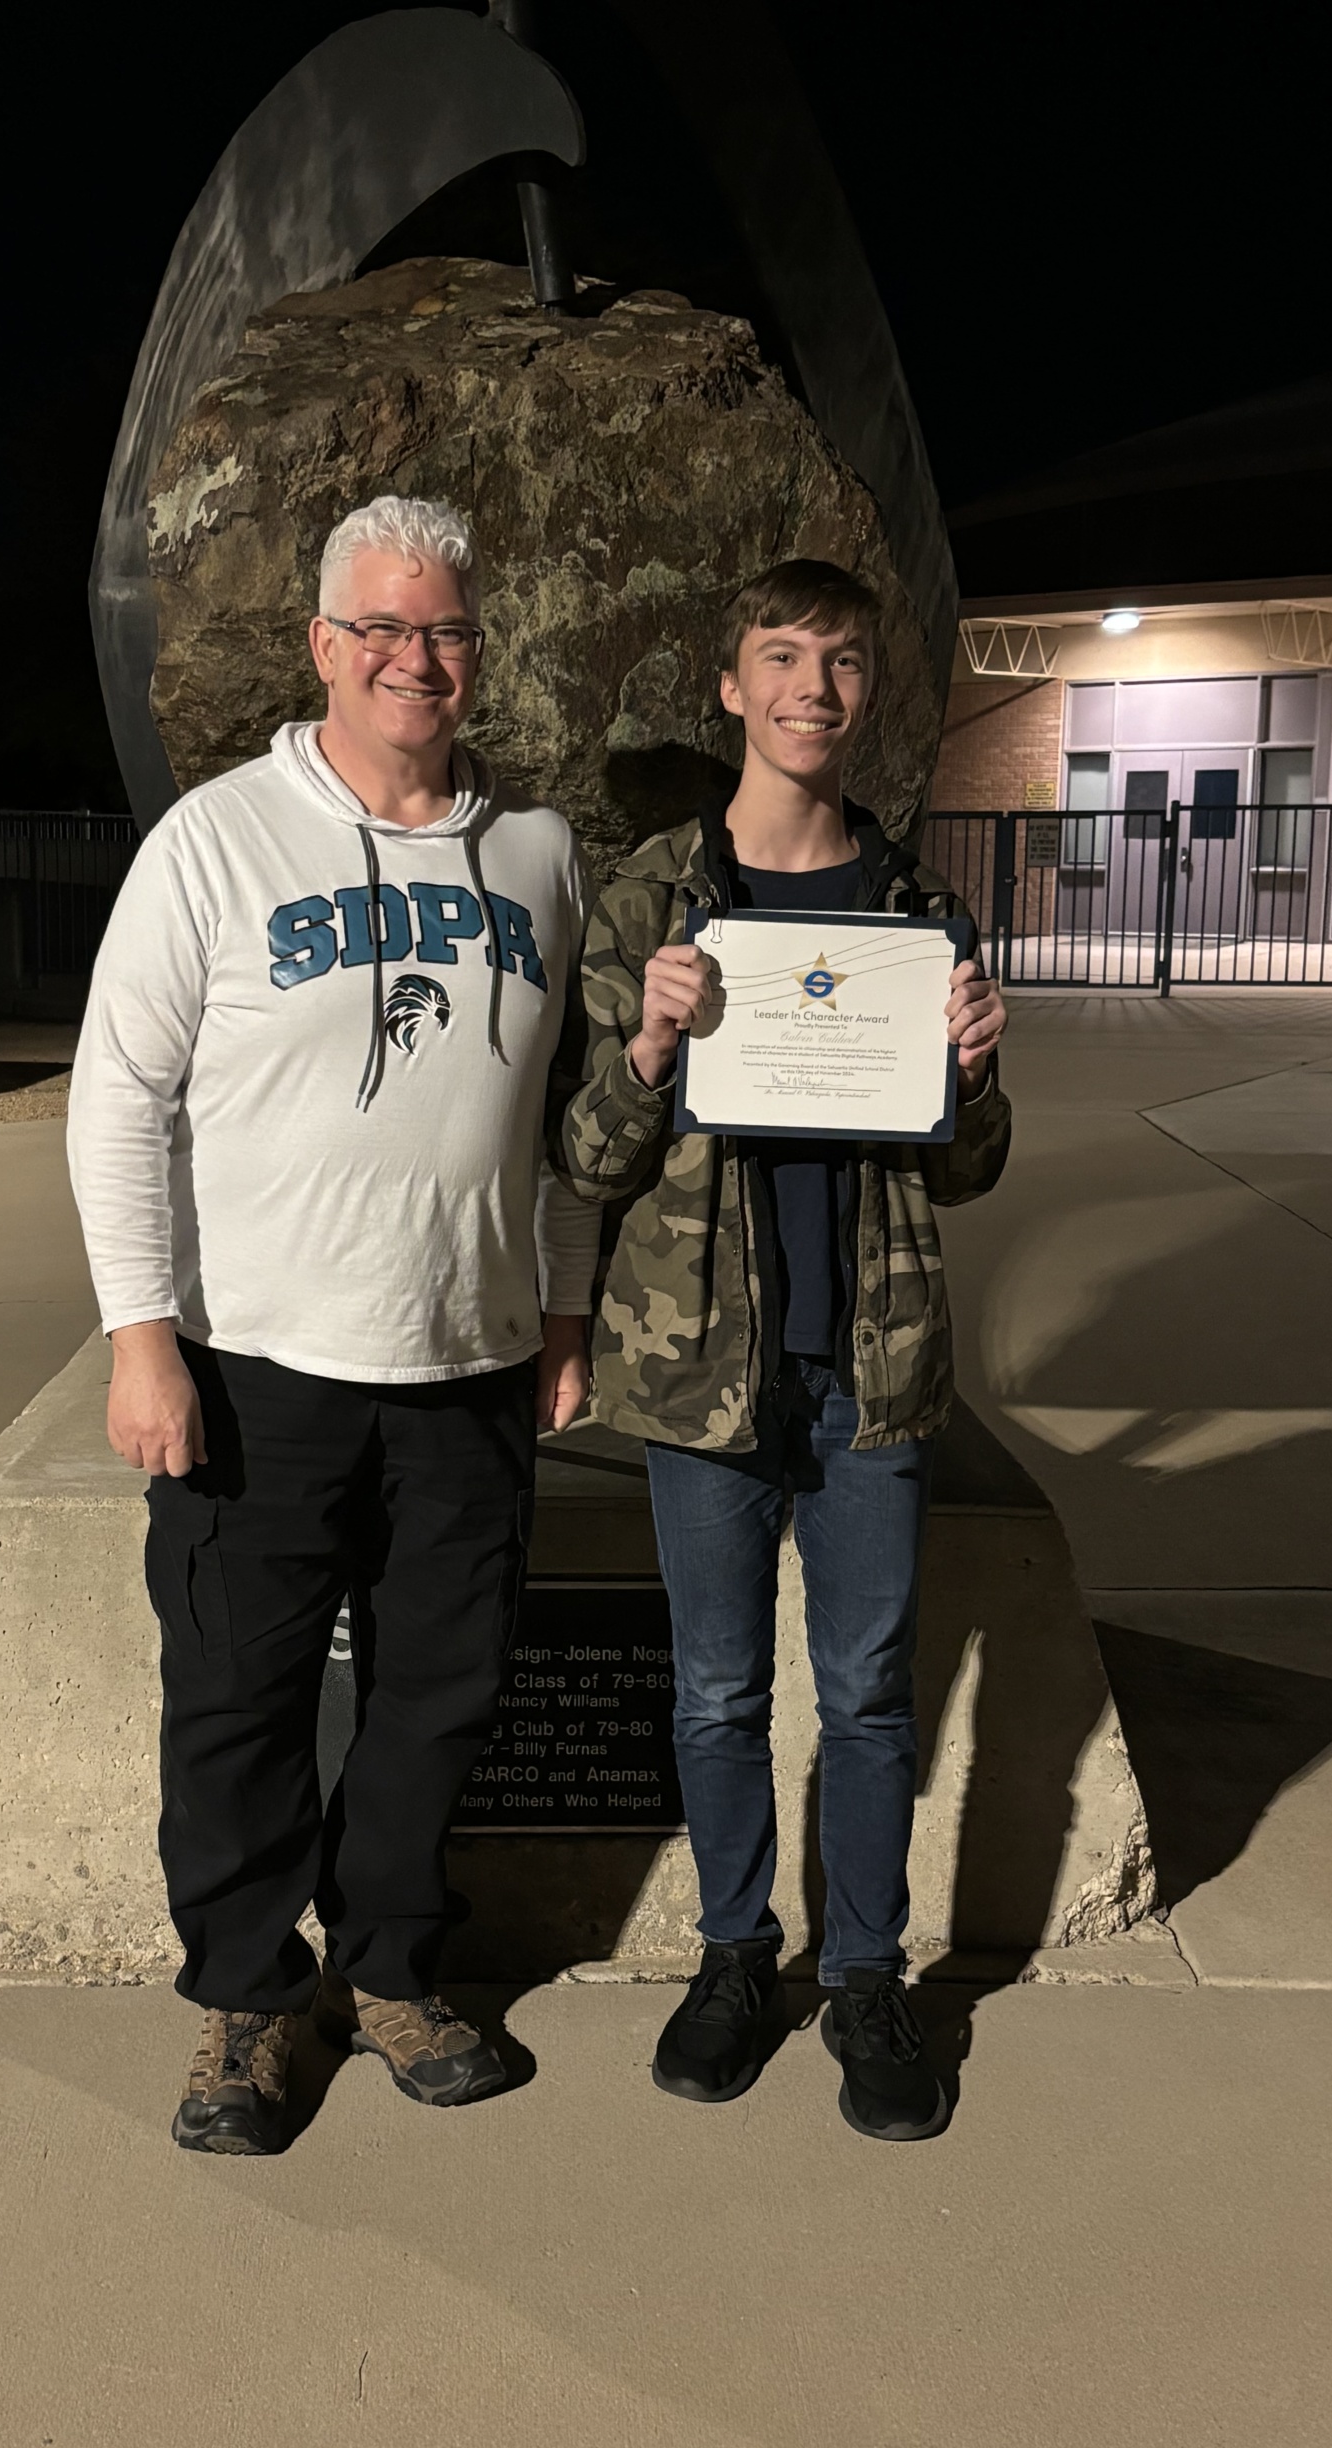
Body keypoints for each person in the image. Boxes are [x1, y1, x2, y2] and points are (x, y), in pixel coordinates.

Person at [69, 495, 598, 2155]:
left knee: (438, 1696)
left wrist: (561, 1304)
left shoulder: (539, 855)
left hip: (468, 1365)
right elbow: (115, 1097)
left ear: (474, 651)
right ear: (322, 646)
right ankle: (242, 1997)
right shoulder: (219, 841)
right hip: (259, 1365)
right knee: (237, 1696)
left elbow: (561, 1113)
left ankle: (388, 1970)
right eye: (380, 628)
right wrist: (140, 1333)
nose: (413, 658)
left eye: (441, 629)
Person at [552, 559, 1010, 2140]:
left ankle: (869, 1979)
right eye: (783, 657)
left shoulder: (915, 909)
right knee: (716, 1690)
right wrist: (654, 1042)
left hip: (871, 1375)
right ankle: (739, 1955)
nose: (814, 687)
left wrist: (973, 1072)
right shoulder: (651, 901)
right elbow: (594, 1161)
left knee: (873, 1694)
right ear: (733, 688)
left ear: (868, 694)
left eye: (842, 662)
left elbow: (965, 1169)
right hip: (702, 1372)